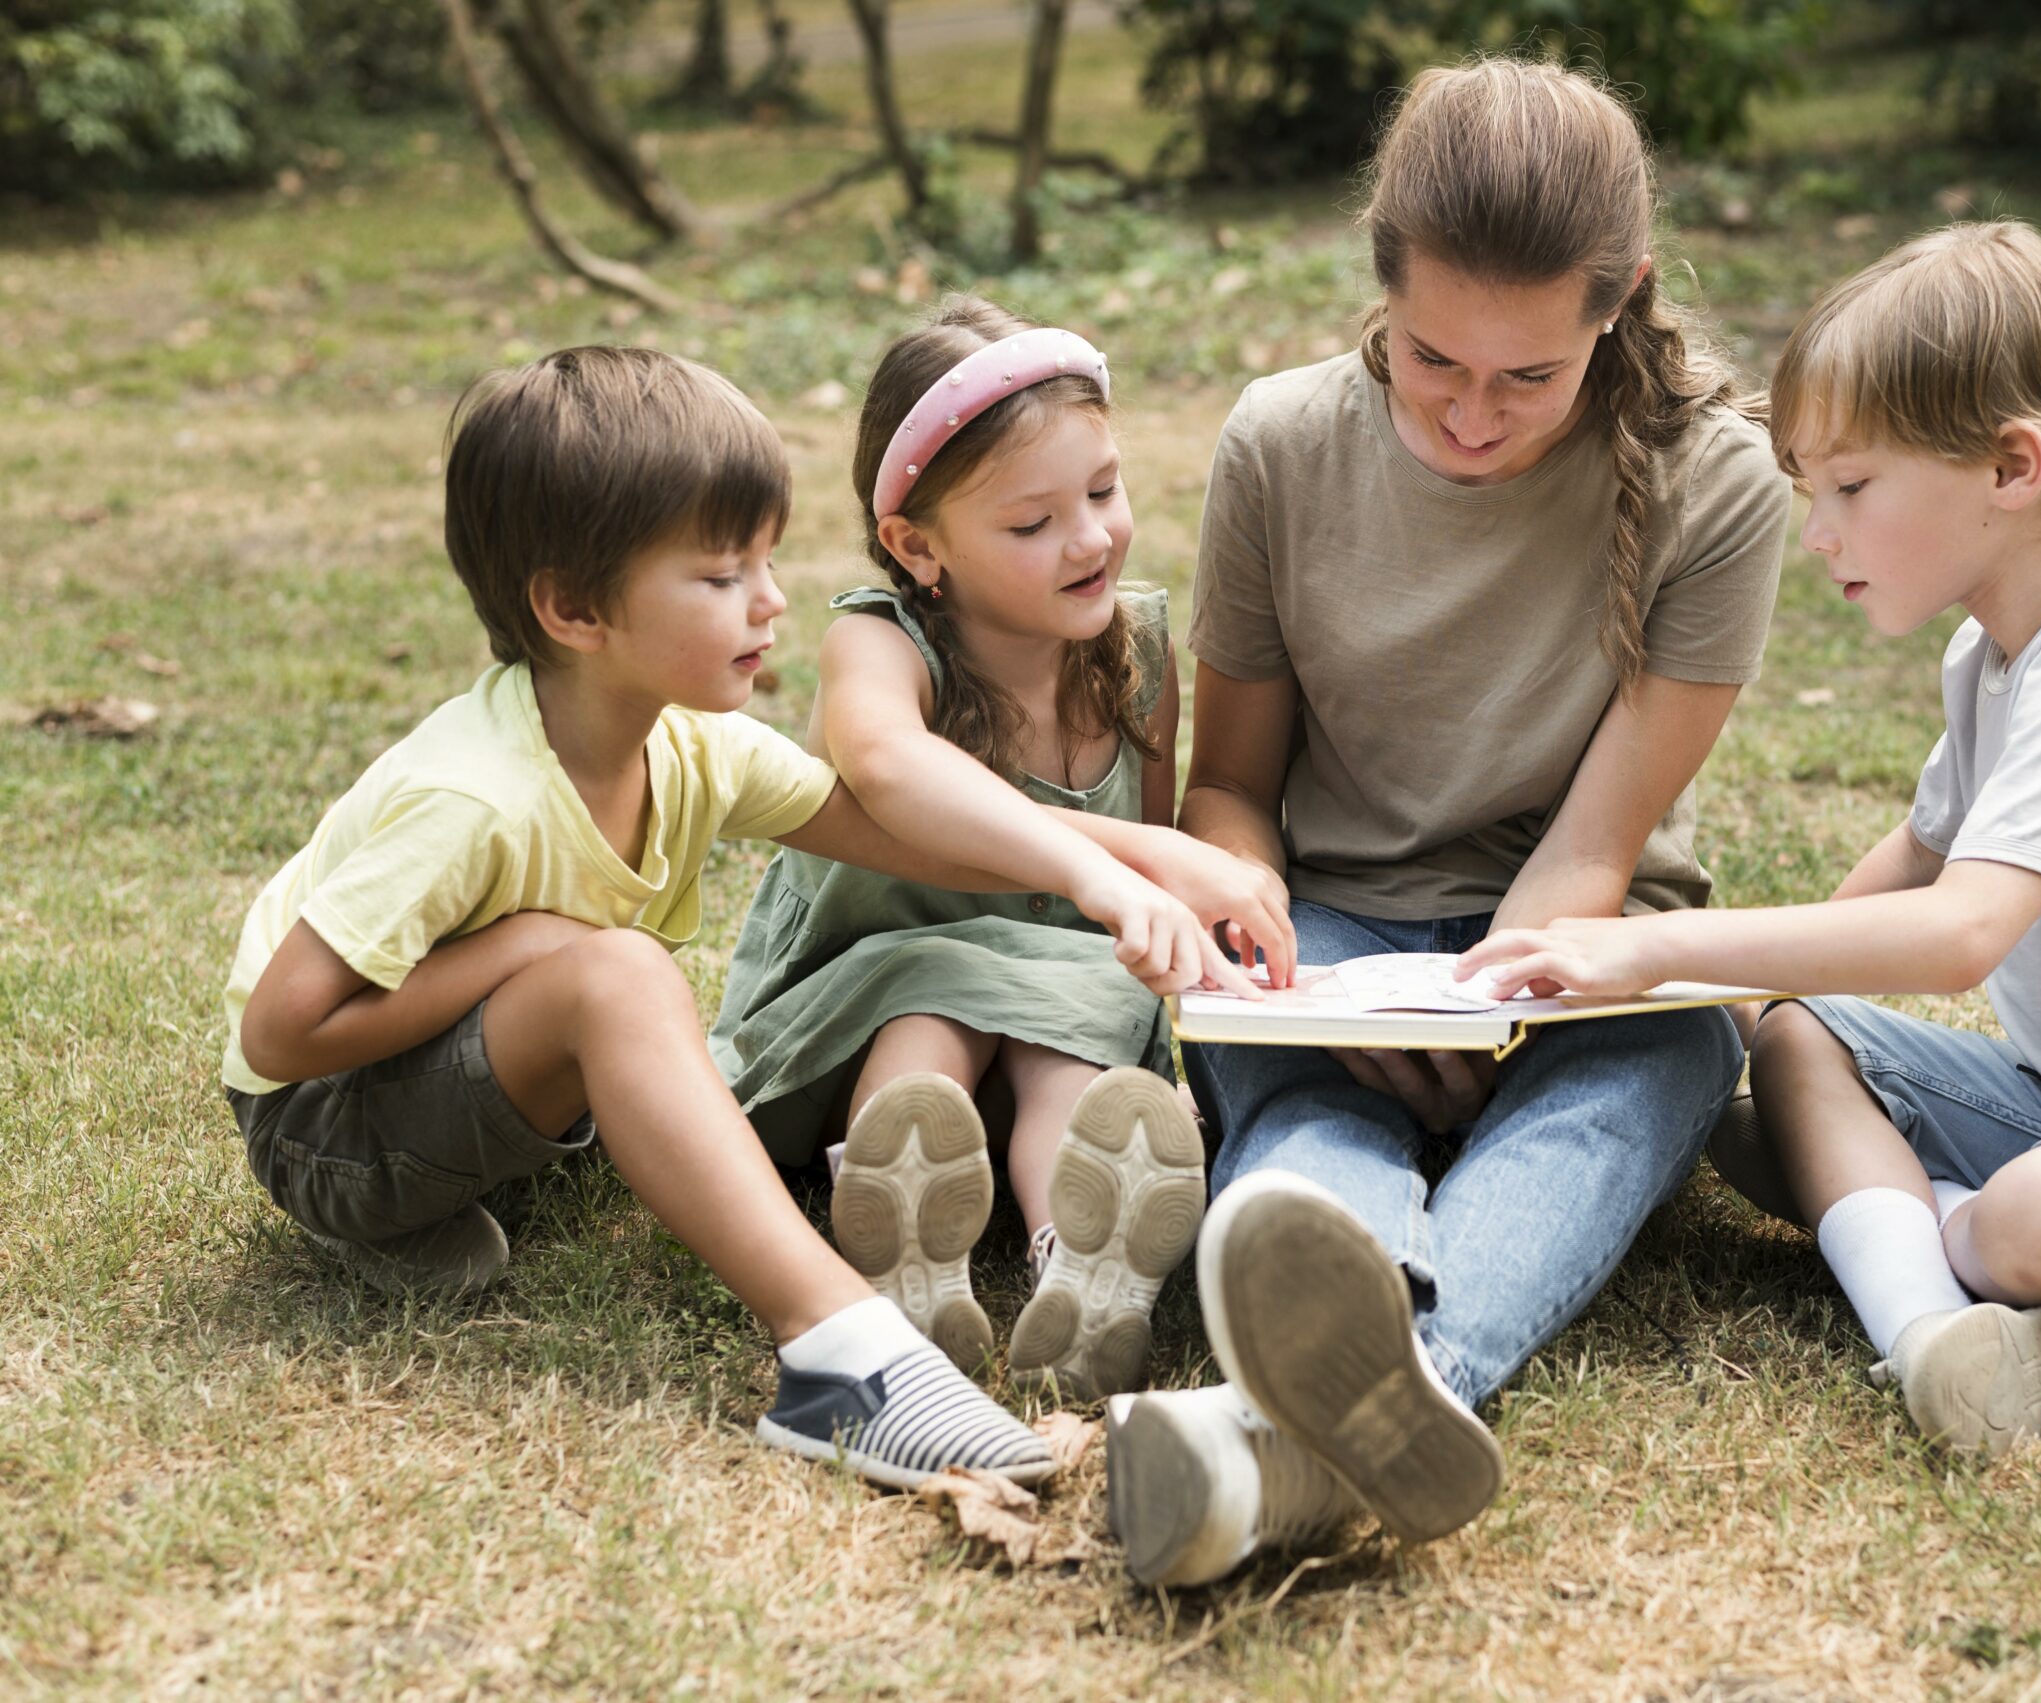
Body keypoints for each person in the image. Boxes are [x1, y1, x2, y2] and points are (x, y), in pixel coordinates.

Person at [1459, 222, 2041, 1459]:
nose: (1820, 533)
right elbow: (1916, 855)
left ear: (2013, 466)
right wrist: (1740, 997)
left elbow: (1959, 928)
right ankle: (1934, 1337)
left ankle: (1928, 1234)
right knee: (1797, 1047)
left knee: (2034, 1214)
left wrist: (1652, 949)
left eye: (1851, 487)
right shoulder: (1994, 653)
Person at [1103, 59, 1792, 1586]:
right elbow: (1233, 789)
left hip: (1576, 938)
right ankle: (1339, 1386)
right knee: (1297, 1093)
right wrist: (1277, 957)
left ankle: (1306, 1416)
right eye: (1432, 361)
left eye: (1528, 377)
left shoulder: (1718, 479)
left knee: (1670, 1052)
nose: (1474, 415)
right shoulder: (1282, 442)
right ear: (1382, 291)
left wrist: (1486, 1001)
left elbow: (1599, 845)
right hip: (1331, 923)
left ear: (1619, 305)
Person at [220, 346, 1136, 1491]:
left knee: (618, 976)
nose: (769, 600)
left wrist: (1155, 868)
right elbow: (279, 1037)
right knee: (621, 977)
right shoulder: (471, 796)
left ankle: (408, 1224)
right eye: (719, 577)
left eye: (763, 561)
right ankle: (840, 1359)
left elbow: (921, 834)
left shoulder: (690, 743)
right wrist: (530, 945)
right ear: (572, 608)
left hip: (448, 1096)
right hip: (320, 1125)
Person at [713, 299, 1284, 1401]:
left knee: (1070, 1031)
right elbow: (886, 767)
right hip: (862, 996)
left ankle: (1080, 1266)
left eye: (1104, 491)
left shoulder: (1141, 655)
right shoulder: (879, 642)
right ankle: (896, 1215)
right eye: (1031, 524)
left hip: (1053, 1008)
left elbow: (1124, 892)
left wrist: (1174, 906)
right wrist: (1109, 864)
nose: (1089, 538)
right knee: (938, 1004)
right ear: (916, 545)